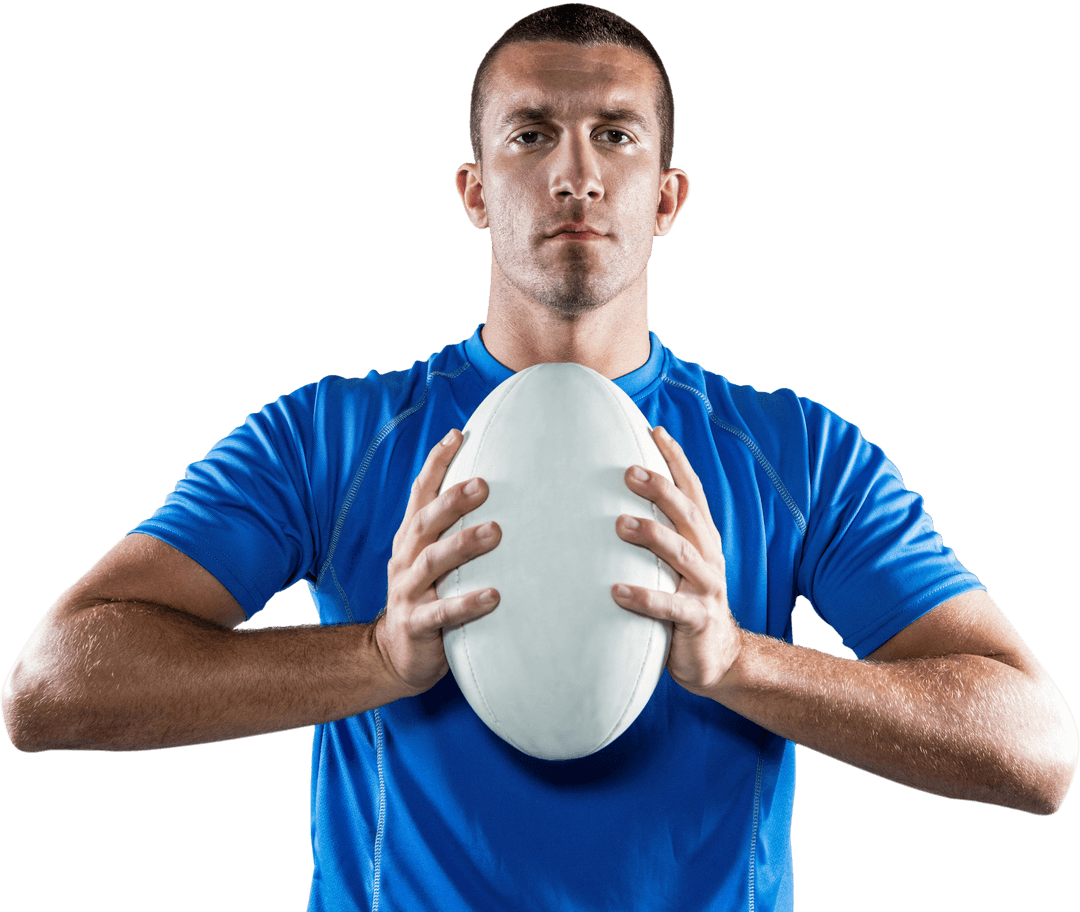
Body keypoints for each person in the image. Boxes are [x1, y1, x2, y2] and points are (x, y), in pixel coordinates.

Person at [2, 4, 1076, 910]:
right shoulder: (332, 435)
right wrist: (376, 657)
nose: (574, 174)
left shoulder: (797, 454)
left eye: (615, 135)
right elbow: (48, 689)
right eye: (529, 134)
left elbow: (1037, 751)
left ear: (666, 197)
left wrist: (740, 659)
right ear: (473, 190)